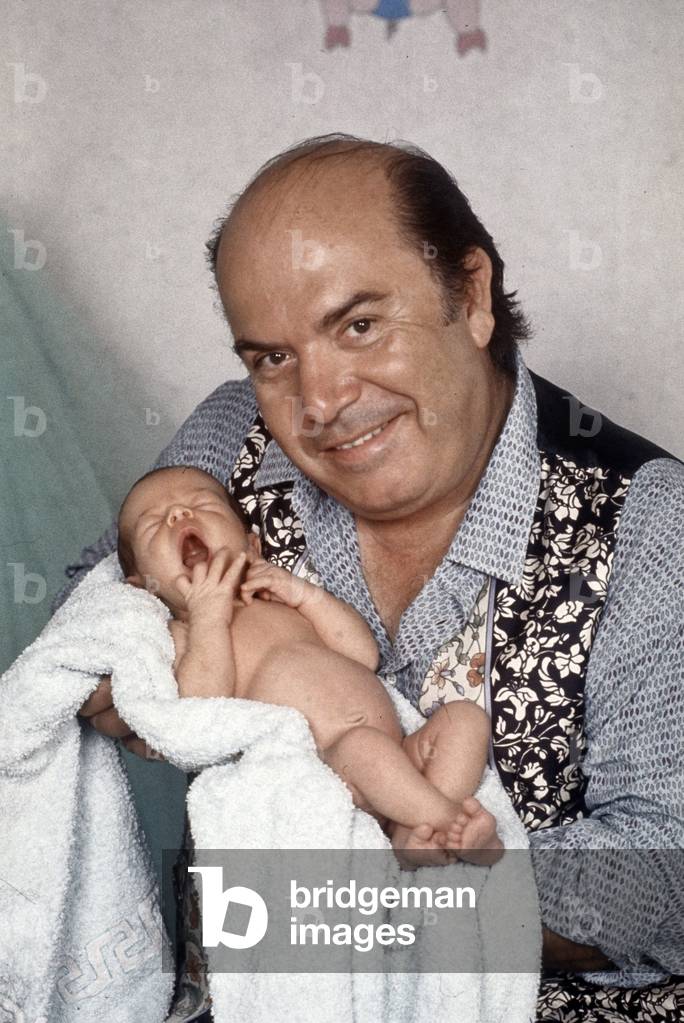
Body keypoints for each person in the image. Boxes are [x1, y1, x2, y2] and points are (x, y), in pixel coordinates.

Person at [64, 134, 683, 1022]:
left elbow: (663, 870)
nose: (319, 403)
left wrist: (369, 877)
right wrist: (128, 678)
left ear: (471, 294)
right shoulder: (226, 444)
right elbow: (88, 614)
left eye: (358, 326)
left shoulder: (648, 521)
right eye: (272, 357)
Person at [117, 463, 503, 865]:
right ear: (143, 589)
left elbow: (362, 654)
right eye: (153, 525)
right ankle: (452, 822)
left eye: (204, 504)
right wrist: (207, 617)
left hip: (399, 748)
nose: (179, 515)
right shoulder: (184, 634)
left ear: (252, 546)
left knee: (464, 718)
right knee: (363, 747)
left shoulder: (277, 599)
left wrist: (304, 595)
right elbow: (200, 709)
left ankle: (415, 829)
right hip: (337, 765)